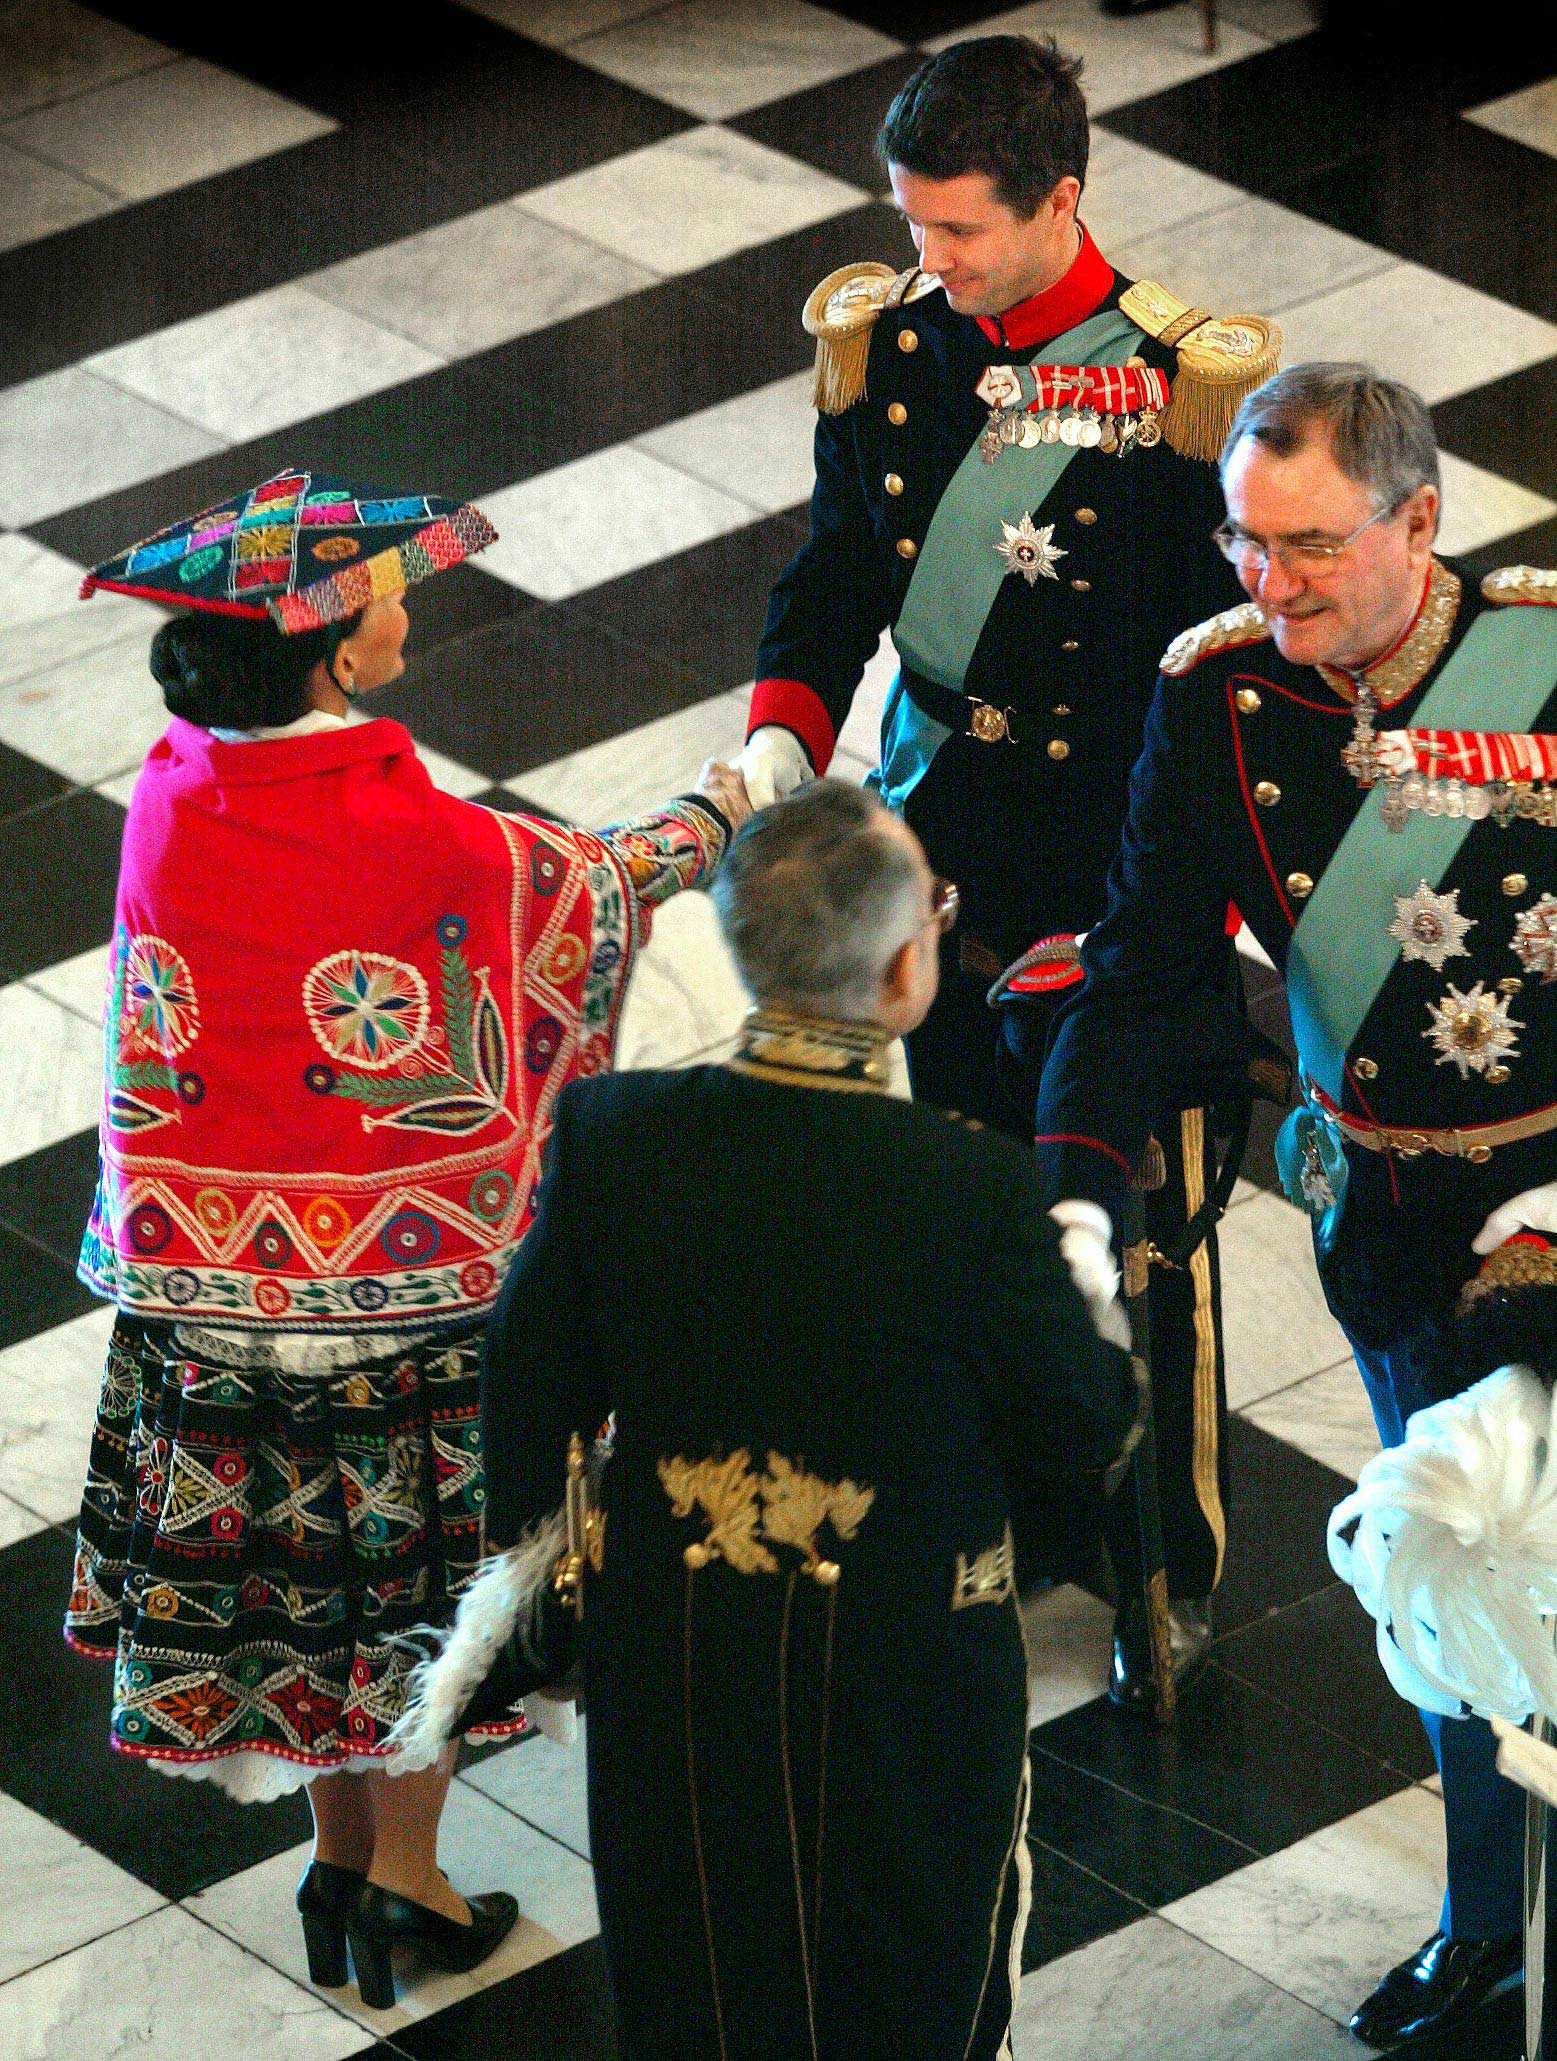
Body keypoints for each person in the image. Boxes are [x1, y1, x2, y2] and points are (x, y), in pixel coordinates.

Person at [63, 470, 748, 2009]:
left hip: (212, 1298)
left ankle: (334, 1861)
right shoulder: (413, 832)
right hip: (400, 1302)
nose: (406, 605)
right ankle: (405, 1882)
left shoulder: (175, 786)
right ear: (338, 653)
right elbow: (586, 894)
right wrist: (722, 808)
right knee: (413, 1600)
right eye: (387, 597)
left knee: (301, 1596)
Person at [738, 30, 1283, 1709]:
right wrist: (778, 738)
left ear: (1062, 196)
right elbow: (836, 579)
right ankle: (976, 1517)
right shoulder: (890, 349)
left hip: (1118, 872)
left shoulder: (1178, 396)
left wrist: (1140, 929)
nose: (933, 263)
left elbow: (1219, 682)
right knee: (948, 1211)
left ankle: (1151, 1568)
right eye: (914, 226)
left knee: (1131, 1251)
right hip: (941, 859)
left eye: (963, 230)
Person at [1031, 363, 1557, 2055]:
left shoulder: (1552, 670)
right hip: (1395, 1230)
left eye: (1314, 543)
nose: (1274, 581)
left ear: (1419, 519)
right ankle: (1492, 1921)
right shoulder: (1220, 700)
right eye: (1249, 543)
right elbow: (1143, 975)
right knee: (1453, 1590)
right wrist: (1074, 1191)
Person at [456, 780, 1138, 2059]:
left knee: (695, 1950)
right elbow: (1079, 1425)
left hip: (678, 1630)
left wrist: (540, 1589)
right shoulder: (969, 1183)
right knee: (912, 1963)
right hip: (905, 1647)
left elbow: (528, 1375)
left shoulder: (615, 1132)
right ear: (900, 974)